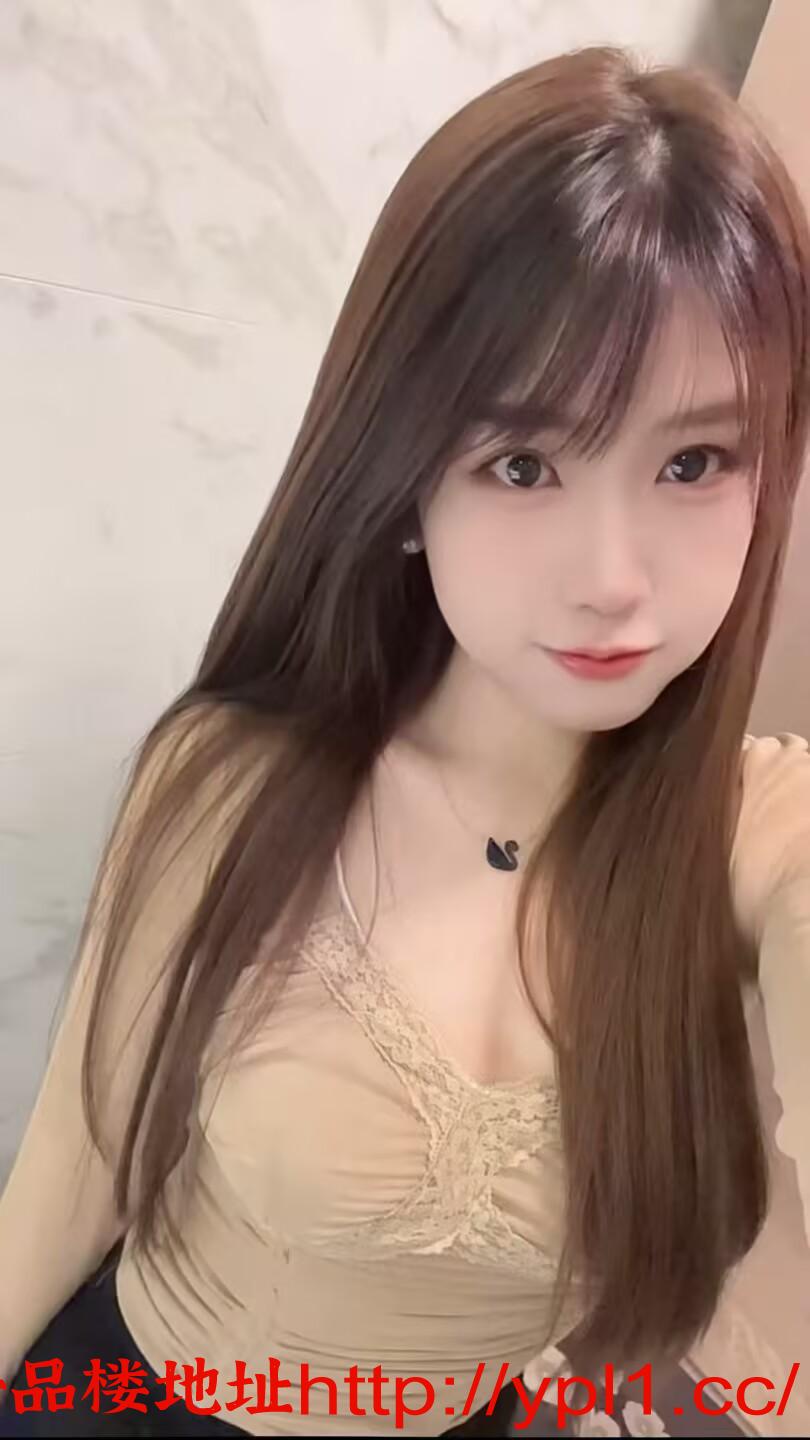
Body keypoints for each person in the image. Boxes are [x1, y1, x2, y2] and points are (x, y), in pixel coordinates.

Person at [1, 42, 809, 1440]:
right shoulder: (236, 785)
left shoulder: (757, 841)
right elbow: (76, 1173)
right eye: (522, 463)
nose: (612, 577)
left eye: (693, 462)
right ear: (404, 480)